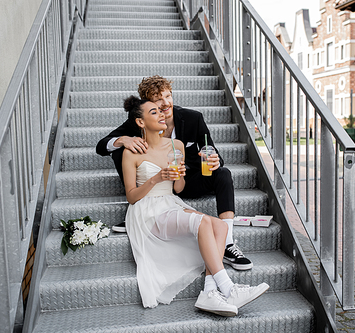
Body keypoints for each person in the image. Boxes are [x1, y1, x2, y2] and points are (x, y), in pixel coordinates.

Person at [121, 95, 268, 316]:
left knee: (219, 226)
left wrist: (178, 175)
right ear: (141, 122)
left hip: (170, 202)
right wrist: (156, 178)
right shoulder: (130, 152)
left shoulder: (176, 145)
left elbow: (179, 188)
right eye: (154, 112)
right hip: (147, 210)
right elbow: (132, 197)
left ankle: (209, 290)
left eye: (161, 111)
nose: (161, 114)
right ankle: (228, 288)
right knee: (201, 222)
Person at [96, 75, 252, 271]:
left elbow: (212, 151)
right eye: (158, 99)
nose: (165, 103)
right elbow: (102, 146)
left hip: (185, 182)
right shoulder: (139, 120)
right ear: (147, 103)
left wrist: (214, 161)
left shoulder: (193, 118)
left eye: (168, 96)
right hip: (155, 189)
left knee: (224, 174)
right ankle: (138, 212)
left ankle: (228, 244)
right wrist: (123, 140)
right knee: (122, 150)